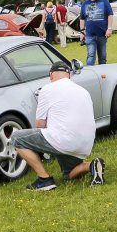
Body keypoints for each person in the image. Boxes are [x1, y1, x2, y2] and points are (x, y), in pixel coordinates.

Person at [13, 61, 104, 191]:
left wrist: (44, 148)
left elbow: (40, 124)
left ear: (51, 76)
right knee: (69, 174)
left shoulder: (47, 89)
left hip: (63, 140)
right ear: (69, 76)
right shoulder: (83, 91)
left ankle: (44, 180)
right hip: (85, 145)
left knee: (17, 138)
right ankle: (91, 165)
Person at [79, 0, 113, 65]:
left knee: (103, 57)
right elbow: (82, 19)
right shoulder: (85, 3)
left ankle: (103, 75)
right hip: (90, 36)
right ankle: (90, 74)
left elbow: (110, 15)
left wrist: (109, 28)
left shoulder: (104, 1)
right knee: (91, 56)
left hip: (102, 35)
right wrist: (82, 32)